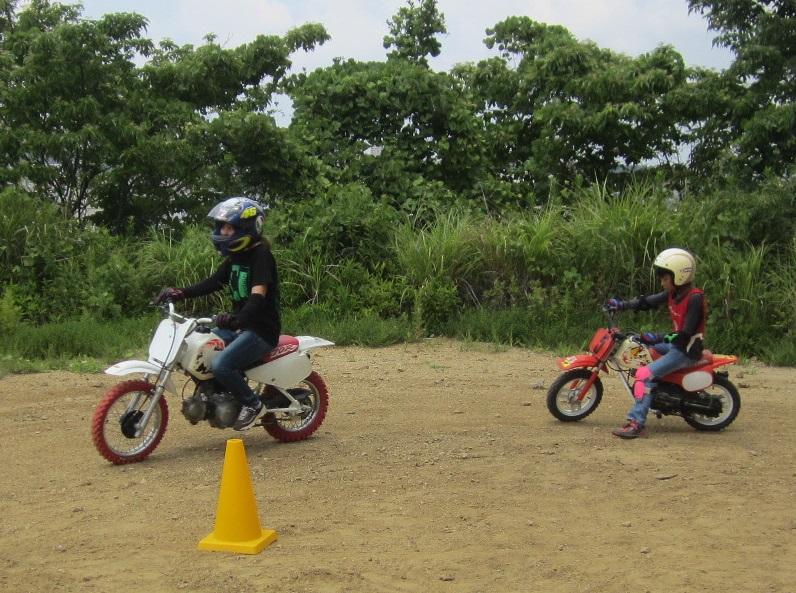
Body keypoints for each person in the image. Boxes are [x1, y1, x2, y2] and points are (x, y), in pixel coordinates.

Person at [155, 196, 280, 431]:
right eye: (221, 226)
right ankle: (217, 394)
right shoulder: (236, 257)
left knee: (222, 364)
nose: (223, 231)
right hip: (239, 326)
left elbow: (258, 296)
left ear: (246, 228)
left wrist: (238, 320)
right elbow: (212, 283)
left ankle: (253, 405)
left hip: (261, 330)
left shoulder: (261, 255)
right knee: (200, 351)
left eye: (229, 227)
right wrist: (179, 293)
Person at [606, 248, 707, 439]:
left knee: (643, 375)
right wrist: (623, 304)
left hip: (686, 350)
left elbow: (684, 334)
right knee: (641, 349)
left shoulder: (695, 298)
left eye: (664, 278)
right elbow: (647, 302)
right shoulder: (674, 294)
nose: (662, 282)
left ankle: (636, 423)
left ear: (678, 276)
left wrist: (658, 337)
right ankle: (657, 394)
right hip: (676, 346)